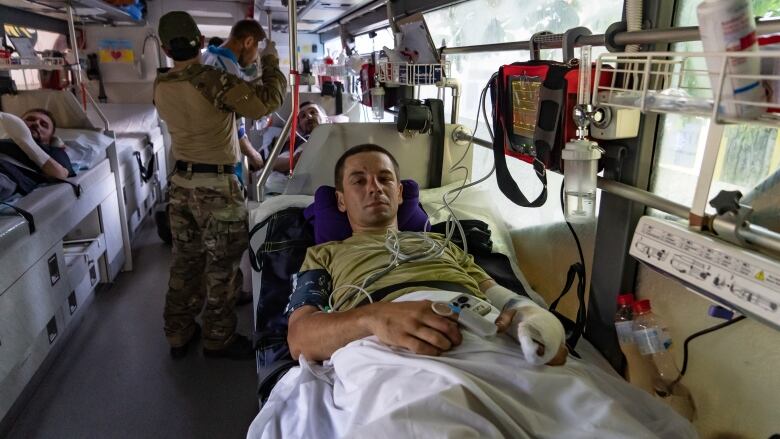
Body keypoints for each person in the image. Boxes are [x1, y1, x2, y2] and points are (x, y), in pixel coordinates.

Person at [286, 144, 568, 365]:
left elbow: (501, 297)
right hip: (383, 342)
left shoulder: (440, 244)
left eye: (384, 179)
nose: (374, 187)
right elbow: (300, 338)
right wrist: (373, 318)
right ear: (341, 201)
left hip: (477, 327)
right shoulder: (324, 254)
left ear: (398, 194)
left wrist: (533, 316)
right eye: (358, 181)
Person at [154, 11, 286, 360]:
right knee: (222, 267)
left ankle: (178, 332)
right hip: (217, 187)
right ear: (200, 41)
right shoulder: (212, 81)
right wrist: (271, 61)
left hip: (181, 185)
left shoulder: (161, 85)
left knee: (185, 261)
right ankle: (218, 337)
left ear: (166, 48)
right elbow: (266, 102)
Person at [202, 19, 267, 173]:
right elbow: (235, 127)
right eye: (256, 50)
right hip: (220, 161)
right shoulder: (228, 68)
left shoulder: (208, 56)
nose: (255, 57)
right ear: (249, 42)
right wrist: (254, 155)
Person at [261, 102, 327, 195]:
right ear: (299, 126)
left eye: (313, 112)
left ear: (325, 117)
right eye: (303, 116)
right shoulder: (294, 142)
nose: (308, 116)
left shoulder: (337, 134)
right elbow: (272, 163)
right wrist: (293, 161)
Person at [0, 109, 73, 179]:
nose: (36, 123)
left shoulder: (55, 151)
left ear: (50, 137)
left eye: (44, 125)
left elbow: (61, 174)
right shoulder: (4, 141)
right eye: (30, 119)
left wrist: (27, 143)